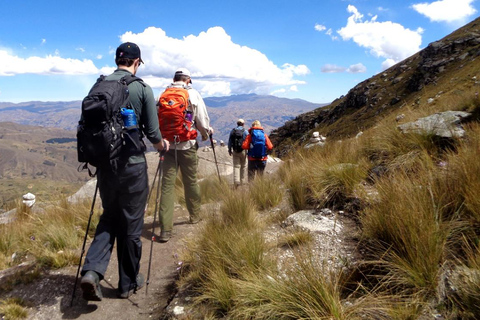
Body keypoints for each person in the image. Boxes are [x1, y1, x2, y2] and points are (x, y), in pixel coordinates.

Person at [80, 42, 169, 301]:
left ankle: (92, 272)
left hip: (106, 166)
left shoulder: (99, 86)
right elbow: (153, 133)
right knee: (131, 222)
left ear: (117, 60)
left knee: (109, 216)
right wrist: (162, 145)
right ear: (137, 62)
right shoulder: (141, 88)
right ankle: (128, 283)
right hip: (132, 167)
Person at [158, 68, 213, 243]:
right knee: (190, 181)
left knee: (167, 186)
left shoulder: (163, 93)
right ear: (188, 79)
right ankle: (194, 215)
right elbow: (202, 121)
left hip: (167, 146)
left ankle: (165, 230)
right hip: (187, 145)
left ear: (174, 79)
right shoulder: (193, 94)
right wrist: (205, 135)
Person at [227, 119, 248, 188]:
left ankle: (236, 181)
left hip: (235, 151)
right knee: (243, 166)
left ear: (237, 124)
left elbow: (230, 141)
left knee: (236, 166)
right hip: (243, 151)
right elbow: (248, 141)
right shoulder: (245, 131)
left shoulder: (233, 131)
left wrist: (230, 150)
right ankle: (242, 181)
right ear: (243, 124)